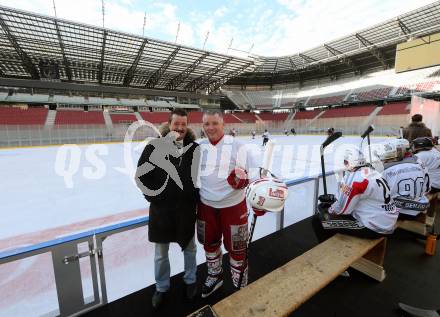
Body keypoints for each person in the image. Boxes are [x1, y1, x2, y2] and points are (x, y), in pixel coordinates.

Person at [135, 108, 200, 308]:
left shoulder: (194, 148)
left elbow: (196, 178)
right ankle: (162, 287)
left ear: (187, 125)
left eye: (183, 124)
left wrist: (194, 197)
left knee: (190, 249)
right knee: (161, 254)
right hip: (161, 213)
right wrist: (154, 197)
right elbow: (141, 177)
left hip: (186, 212)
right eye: (176, 124)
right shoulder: (154, 147)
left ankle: (190, 281)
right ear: (169, 125)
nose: (179, 128)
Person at [197, 110, 257, 297]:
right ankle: (215, 275)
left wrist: (245, 180)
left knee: (238, 248)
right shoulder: (198, 147)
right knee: (209, 244)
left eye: (215, 123)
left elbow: (254, 174)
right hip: (206, 206)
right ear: (202, 126)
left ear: (223, 124)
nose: (211, 127)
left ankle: (239, 282)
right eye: (207, 124)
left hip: (233, 207)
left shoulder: (238, 147)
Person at [313, 147, 398, 244]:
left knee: (318, 221)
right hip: (387, 220)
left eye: (345, 162)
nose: (344, 165)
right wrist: (334, 199)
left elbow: (342, 210)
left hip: (375, 227)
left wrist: (327, 210)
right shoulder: (372, 172)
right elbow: (359, 197)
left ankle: (328, 250)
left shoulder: (356, 179)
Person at [375, 139, 430, 219]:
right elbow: (427, 188)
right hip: (419, 208)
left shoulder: (385, 170)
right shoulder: (419, 165)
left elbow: (379, 196)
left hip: (398, 212)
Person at [412, 137, 440, 220]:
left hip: (433, 186)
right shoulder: (436, 152)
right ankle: (430, 217)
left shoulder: (420, 156)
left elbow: (412, 170)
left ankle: (418, 217)